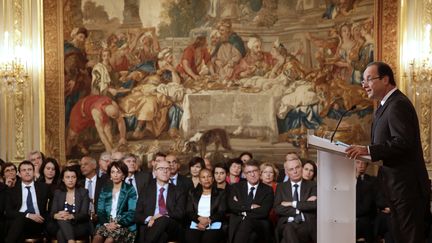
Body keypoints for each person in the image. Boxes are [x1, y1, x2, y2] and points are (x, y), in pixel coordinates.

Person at [346, 61, 431, 243]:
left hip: (407, 188)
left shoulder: (398, 104)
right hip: (394, 186)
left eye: (369, 79)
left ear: (385, 79)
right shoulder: (383, 107)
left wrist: (368, 150)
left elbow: (402, 142)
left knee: (411, 238)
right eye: (363, 80)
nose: (364, 84)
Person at [134, 160, 186, 243]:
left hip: (172, 225)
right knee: (162, 235)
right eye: (161, 168)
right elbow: (137, 214)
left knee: (163, 219)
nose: (165, 171)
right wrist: (150, 218)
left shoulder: (178, 190)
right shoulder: (146, 190)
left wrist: (161, 215)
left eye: (167, 169)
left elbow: (180, 213)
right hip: (150, 224)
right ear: (155, 172)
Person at [5, 161, 51, 243]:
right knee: (19, 222)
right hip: (19, 222)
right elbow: (9, 212)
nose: (27, 172)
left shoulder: (44, 188)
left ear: (34, 172)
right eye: (24, 170)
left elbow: (51, 207)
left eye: (29, 169)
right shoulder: (13, 190)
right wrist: (28, 215)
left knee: (18, 224)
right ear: (19, 174)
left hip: (38, 222)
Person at [228, 160, 274, 243]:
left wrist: (242, 210)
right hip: (238, 222)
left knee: (246, 223)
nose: (252, 174)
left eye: (255, 171)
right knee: (251, 237)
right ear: (245, 175)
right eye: (249, 172)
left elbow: (264, 212)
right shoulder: (236, 187)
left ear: (259, 172)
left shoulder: (268, 190)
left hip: (259, 223)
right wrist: (251, 206)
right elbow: (232, 206)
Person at [274, 158, 317, 243]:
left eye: (297, 167)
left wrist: (292, 203)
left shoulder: (312, 185)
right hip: (286, 222)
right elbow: (277, 208)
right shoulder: (281, 187)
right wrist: (299, 209)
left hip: (306, 224)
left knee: (286, 236)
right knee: (289, 227)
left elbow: (314, 205)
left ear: (301, 168)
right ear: (286, 172)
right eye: (291, 169)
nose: (295, 171)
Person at [93, 161, 137, 243]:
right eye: (113, 172)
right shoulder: (105, 189)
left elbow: (132, 212)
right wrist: (107, 224)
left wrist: (117, 223)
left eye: (118, 172)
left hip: (123, 225)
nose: (115, 175)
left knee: (109, 241)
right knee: (97, 239)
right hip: (106, 224)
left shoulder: (130, 189)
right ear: (110, 175)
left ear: (123, 175)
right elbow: (100, 210)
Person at [185, 169, 226, 243]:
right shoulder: (192, 193)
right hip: (196, 223)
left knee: (207, 240)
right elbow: (189, 211)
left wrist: (208, 220)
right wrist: (199, 220)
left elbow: (221, 212)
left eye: (209, 176)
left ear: (213, 179)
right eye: (203, 177)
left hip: (214, 224)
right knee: (190, 239)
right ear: (200, 180)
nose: (206, 179)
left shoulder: (221, 193)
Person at [50, 166, 90, 243]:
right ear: (63, 179)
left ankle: (70, 240)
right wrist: (57, 215)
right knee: (62, 219)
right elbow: (52, 212)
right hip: (61, 225)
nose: (70, 180)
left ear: (77, 179)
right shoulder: (58, 193)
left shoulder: (83, 192)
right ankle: (71, 240)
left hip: (79, 225)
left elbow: (84, 214)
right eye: (67, 177)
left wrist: (71, 216)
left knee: (61, 233)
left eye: (73, 177)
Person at [79, 156, 108, 229]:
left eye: (85, 164)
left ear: (94, 166)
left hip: (101, 220)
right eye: (81, 165)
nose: (82, 166)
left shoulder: (104, 183)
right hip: (82, 220)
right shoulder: (79, 185)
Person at [355, 160, 377, 243]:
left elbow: (370, 205)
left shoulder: (373, 181)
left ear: (367, 165)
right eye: (358, 162)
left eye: (363, 163)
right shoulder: (347, 180)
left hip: (367, 220)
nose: (360, 165)